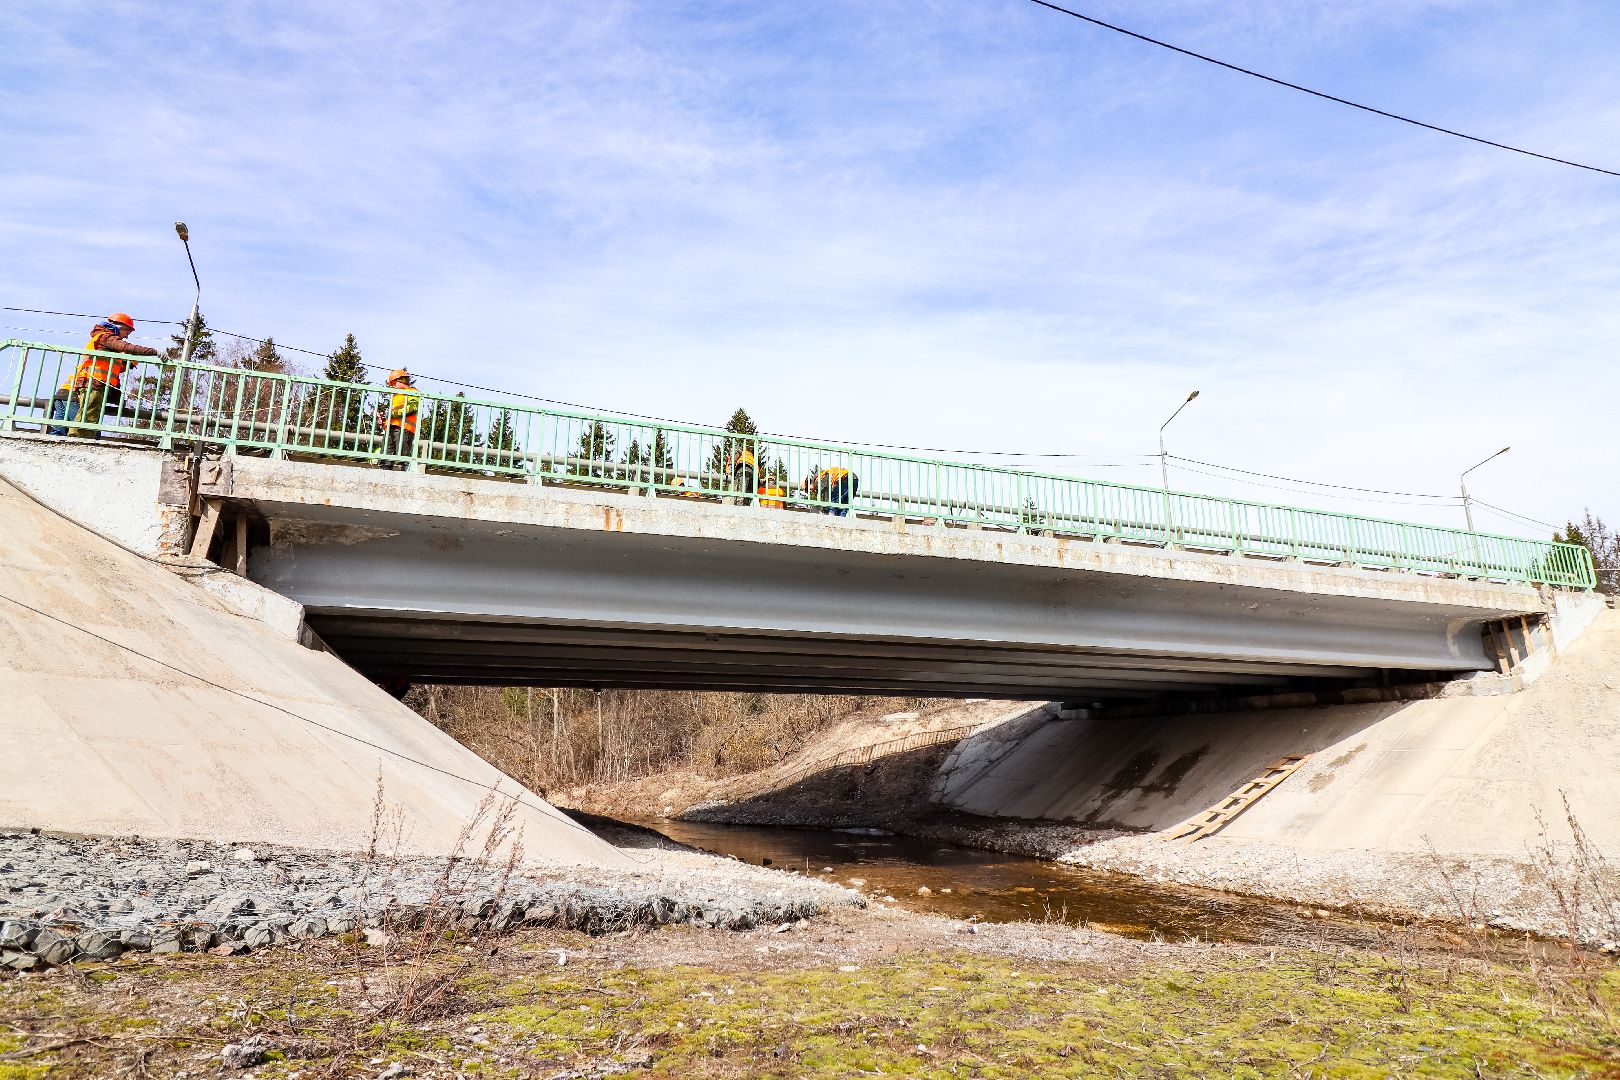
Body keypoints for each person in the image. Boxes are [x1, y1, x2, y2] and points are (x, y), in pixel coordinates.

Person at [48, 313, 160, 438]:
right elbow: (127, 347)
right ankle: (81, 441)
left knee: (59, 431)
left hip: (69, 390)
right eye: (127, 331)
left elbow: (114, 385)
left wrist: (119, 401)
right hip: (87, 387)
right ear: (118, 326)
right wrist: (153, 352)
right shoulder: (106, 338)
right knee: (88, 421)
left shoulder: (107, 351)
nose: (127, 336)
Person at [376, 368, 419, 469]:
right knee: (386, 455)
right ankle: (384, 473)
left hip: (404, 427)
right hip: (391, 427)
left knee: (403, 454)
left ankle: (406, 475)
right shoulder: (395, 396)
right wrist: (384, 418)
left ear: (401, 381)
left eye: (394, 383)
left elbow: (412, 408)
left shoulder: (413, 392)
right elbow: (392, 413)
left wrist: (394, 414)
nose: (392, 386)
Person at [729, 440, 758, 505]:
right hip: (753, 472)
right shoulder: (749, 455)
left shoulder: (739, 451)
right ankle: (745, 504)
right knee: (748, 491)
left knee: (741, 488)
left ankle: (739, 505)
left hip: (743, 469)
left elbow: (735, 455)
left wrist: (731, 466)